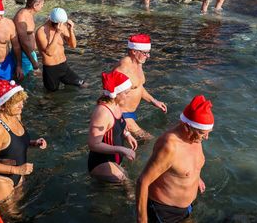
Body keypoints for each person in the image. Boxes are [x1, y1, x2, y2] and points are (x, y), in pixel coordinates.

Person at [136, 95, 214, 223]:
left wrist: (195, 176)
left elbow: (187, 161)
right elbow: (142, 181)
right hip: (164, 212)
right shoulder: (169, 146)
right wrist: (142, 219)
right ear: (186, 126)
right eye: (202, 133)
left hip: (186, 208)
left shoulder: (194, 137)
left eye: (208, 132)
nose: (206, 137)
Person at [0, 80, 47, 207]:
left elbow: (15, 143)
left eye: (21, 100)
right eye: (15, 102)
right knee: (10, 217)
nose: (21, 105)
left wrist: (34, 143)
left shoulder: (16, 116)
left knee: (19, 214)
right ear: (3, 105)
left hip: (18, 174)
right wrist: (16, 169)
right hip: (0, 180)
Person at [114, 34, 167, 140]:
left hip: (130, 113)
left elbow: (138, 87)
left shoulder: (138, 63)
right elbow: (108, 94)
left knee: (138, 144)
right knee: (149, 140)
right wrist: (118, 120)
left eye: (148, 52)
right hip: (121, 114)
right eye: (145, 53)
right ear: (134, 51)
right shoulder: (123, 68)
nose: (148, 56)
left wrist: (153, 100)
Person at [87, 70, 138, 182]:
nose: (127, 96)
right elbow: (93, 144)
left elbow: (118, 125)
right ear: (115, 94)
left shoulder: (116, 104)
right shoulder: (102, 112)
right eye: (126, 93)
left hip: (115, 159)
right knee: (128, 186)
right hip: (101, 162)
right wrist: (122, 149)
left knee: (129, 183)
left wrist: (127, 134)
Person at [35, 8, 86, 92]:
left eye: (61, 23)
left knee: (83, 85)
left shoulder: (62, 26)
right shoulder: (41, 32)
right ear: (51, 20)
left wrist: (71, 30)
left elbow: (73, 45)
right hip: (51, 70)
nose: (60, 26)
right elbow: (49, 52)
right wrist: (57, 33)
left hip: (64, 66)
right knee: (50, 96)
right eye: (57, 24)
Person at [13, 0, 45, 77]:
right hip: (24, 56)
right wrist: (33, 61)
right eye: (42, 4)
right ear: (35, 5)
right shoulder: (22, 17)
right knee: (27, 81)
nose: (42, 6)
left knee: (34, 79)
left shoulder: (29, 13)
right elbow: (23, 43)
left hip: (30, 54)